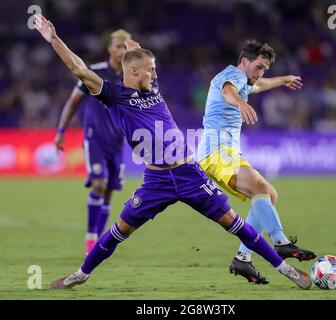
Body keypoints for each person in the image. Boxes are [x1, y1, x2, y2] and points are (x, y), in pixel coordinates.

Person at [33, 14, 312, 290]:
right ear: (133, 72)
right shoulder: (115, 97)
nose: (156, 74)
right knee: (119, 232)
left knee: (235, 225)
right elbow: (79, 69)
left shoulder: (152, 87)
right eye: (151, 69)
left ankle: (285, 269)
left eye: (154, 69)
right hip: (156, 182)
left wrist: (134, 49)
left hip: (190, 173)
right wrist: (54, 39)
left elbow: (141, 61)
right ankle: (81, 274)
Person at [197, 39, 316, 284]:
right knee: (261, 189)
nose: (261, 73)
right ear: (244, 62)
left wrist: (282, 80)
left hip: (225, 152)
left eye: (265, 69)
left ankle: (243, 258)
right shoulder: (232, 76)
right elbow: (228, 91)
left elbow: (258, 85)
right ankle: (280, 242)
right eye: (258, 66)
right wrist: (240, 103)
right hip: (217, 151)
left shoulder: (244, 79)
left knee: (269, 195)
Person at [54, 29, 132, 255]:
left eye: (125, 47)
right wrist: (61, 131)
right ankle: (90, 237)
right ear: (109, 48)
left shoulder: (130, 77)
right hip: (94, 138)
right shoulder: (94, 72)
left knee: (108, 191)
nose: (121, 50)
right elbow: (73, 101)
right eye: (118, 46)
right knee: (99, 184)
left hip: (117, 141)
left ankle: (98, 240)